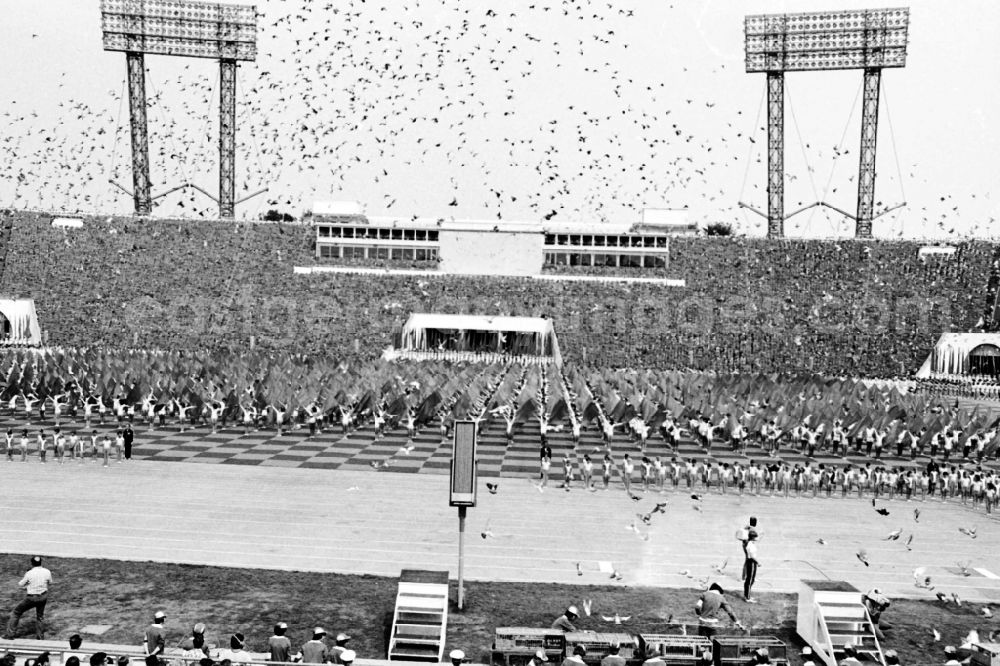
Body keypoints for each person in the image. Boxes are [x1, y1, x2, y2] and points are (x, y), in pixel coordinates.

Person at [4, 555, 52, 639]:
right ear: (41, 562)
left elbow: (20, 584)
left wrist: (28, 584)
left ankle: (10, 634)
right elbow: (50, 582)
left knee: (16, 613)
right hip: (43, 596)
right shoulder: (47, 571)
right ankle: (40, 637)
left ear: (32, 563)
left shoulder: (29, 573)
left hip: (31, 598)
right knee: (40, 616)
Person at [743, 530, 760, 603]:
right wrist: (758, 562)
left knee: (750, 579)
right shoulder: (751, 545)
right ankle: (747, 597)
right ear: (753, 538)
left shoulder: (749, 543)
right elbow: (753, 557)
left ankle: (747, 595)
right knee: (750, 580)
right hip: (752, 562)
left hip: (750, 562)